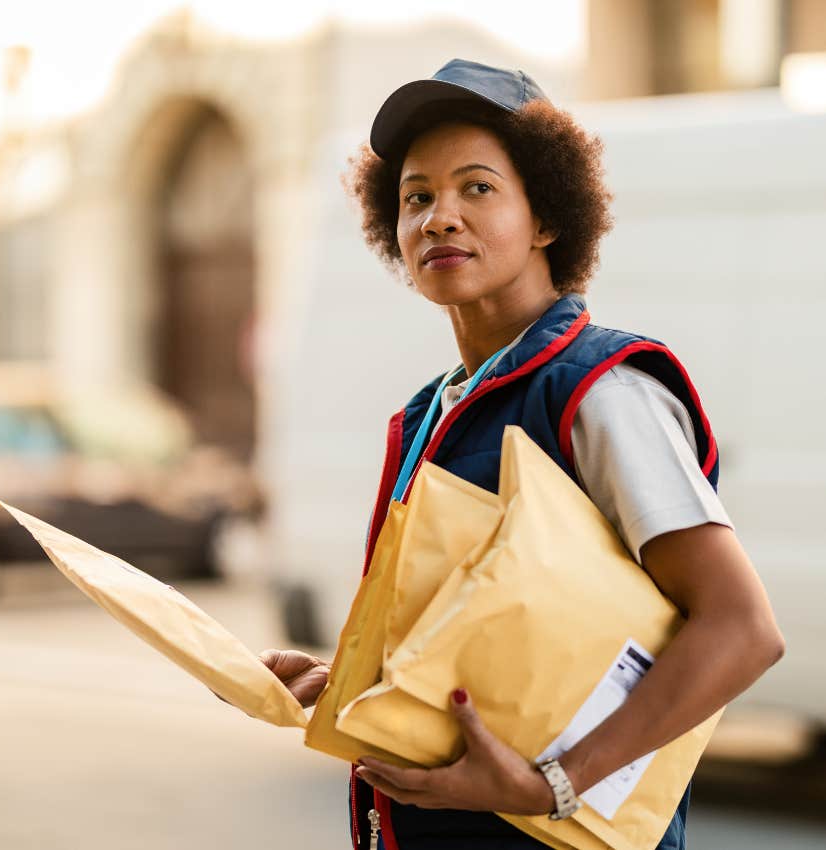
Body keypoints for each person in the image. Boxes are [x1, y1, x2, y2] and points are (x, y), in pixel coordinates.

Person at [258, 59, 785, 849]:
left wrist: (554, 785)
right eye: (417, 197)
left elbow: (741, 631)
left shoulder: (600, 391)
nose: (440, 217)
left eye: (477, 188)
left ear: (546, 217)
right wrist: (356, 683)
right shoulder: (433, 410)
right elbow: (507, 632)